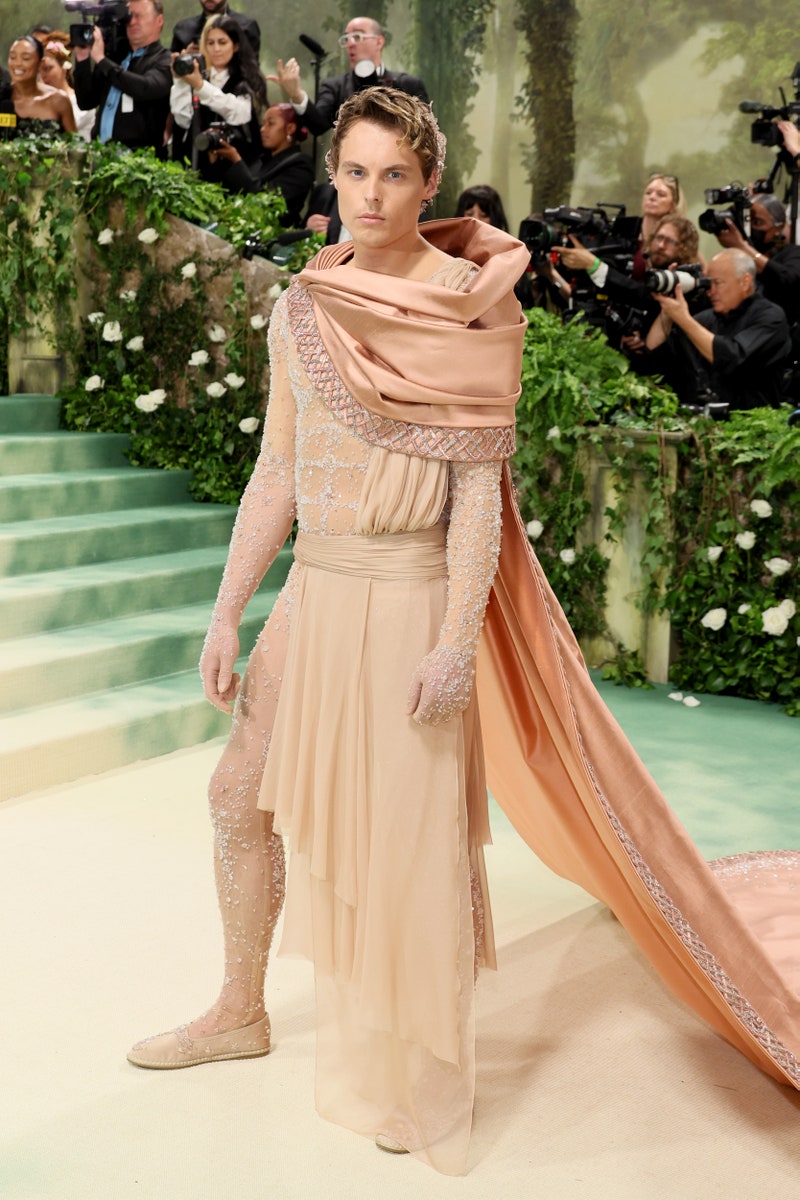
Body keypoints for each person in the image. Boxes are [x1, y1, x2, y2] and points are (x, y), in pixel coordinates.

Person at [126, 88, 800, 1174]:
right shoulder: (305, 303)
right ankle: (237, 1009)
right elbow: (277, 468)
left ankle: (425, 1068)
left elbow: (478, 496)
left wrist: (452, 641)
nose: (370, 195)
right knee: (234, 798)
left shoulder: (470, 305)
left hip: (407, 600)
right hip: (313, 591)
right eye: (354, 172)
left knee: (411, 846)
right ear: (332, 177)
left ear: (427, 181)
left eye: (393, 175)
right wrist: (226, 610)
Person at [645, 247, 791, 411]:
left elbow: (733, 357)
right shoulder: (706, 319)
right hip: (701, 420)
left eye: (717, 283)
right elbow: (654, 356)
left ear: (745, 282)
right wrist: (667, 309)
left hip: (751, 421)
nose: (710, 291)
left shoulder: (771, 317)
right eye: (708, 283)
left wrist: (684, 319)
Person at [557, 213, 704, 353]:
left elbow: (643, 297)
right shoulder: (645, 271)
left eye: (670, 241)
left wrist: (593, 265)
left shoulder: (687, 281)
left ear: (685, 248)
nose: (661, 245)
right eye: (659, 237)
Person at [269, 16, 429, 137]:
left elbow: (427, 133)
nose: (350, 44)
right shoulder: (335, 86)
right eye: (346, 39)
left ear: (379, 42)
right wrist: (296, 95)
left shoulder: (407, 84)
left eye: (358, 36)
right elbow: (318, 125)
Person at [170, 14, 266, 180]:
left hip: (237, 168)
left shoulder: (246, 79)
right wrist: (179, 81)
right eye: (210, 43)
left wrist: (201, 87)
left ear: (235, 46)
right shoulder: (197, 76)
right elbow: (183, 118)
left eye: (222, 42)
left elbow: (239, 114)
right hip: (198, 166)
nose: (216, 49)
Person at [73, 0, 171, 153]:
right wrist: (82, 59)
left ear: (159, 20)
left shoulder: (164, 59)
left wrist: (102, 60)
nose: (132, 22)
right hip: (100, 153)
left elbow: (146, 88)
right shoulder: (115, 57)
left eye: (139, 16)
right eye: (129, 17)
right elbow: (86, 101)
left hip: (142, 158)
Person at [212, 103, 314, 223]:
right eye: (263, 124)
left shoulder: (301, 164)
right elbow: (231, 191)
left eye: (270, 124)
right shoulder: (261, 159)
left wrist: (236, 160)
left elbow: (266, 202)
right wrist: (216, 162)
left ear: (290, 128)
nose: (262, 129)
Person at [715, 193, 800, 328]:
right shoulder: (737, 258)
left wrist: (742, 247)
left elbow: (788, 280)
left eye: (757, 223)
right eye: (747, 221)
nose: (750, 228)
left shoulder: (792, 253)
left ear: (778, 228)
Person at [7, 34, 76, 135]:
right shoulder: (3, 97)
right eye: (13, 57)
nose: (17, 63)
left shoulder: (59, 100)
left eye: (25, 58)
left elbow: (74, 141)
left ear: (40, 62)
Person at [38, 38, 94, 141]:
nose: (43, 75)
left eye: (47, 69)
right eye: (39, 71)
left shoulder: (80, 101)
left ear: (64, 69)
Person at [171, 0, 261, 58]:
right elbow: (170, 73)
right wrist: (185, 58)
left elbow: (252, 71)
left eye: (222, 42)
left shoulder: (246, 27)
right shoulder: (183, 29)